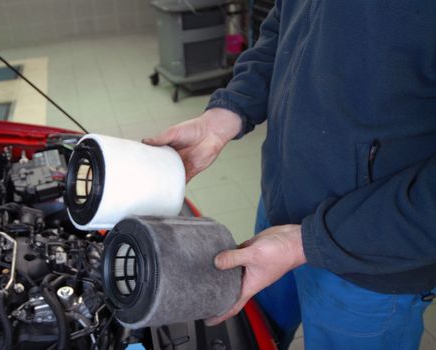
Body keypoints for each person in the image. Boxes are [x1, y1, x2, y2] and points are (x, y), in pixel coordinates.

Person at [144, 2, 436, 349]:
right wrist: (227, 113)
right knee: (256, 334)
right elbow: (282, 33)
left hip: (369, 255)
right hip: (281, 211)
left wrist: (306, 242)